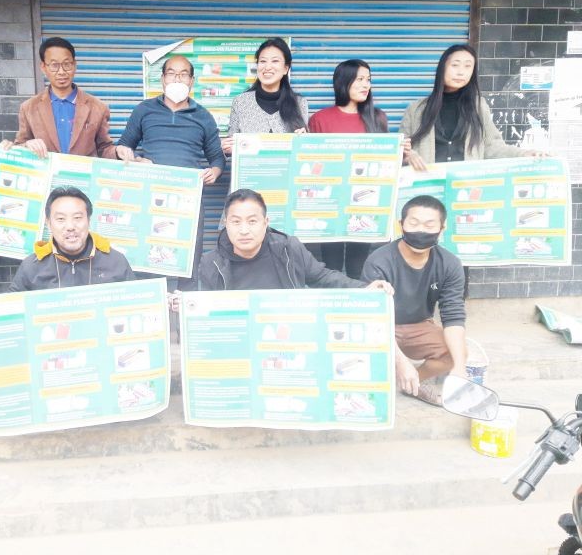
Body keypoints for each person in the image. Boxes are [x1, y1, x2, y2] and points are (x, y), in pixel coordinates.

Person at [115, 55, 226, 290]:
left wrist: (214, 172)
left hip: (189, 201)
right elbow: (124, 145)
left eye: (183, 74)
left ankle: (184, 308)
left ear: (192, 81)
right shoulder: (144, 110)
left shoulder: (203, 116)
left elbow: (217, 158)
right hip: (150, 199)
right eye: (172, 73)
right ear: (163, 79)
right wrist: (129, 156)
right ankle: (153, 308)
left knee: (189, 262)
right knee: (148, 259)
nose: (177, 79)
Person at [361, 195, 467, 406]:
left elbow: (453, 315)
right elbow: (372, 317)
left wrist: (460, 367)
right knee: (359, 363)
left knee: (456, 354)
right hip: (380, 326)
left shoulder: (450, 264)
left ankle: (412, 382)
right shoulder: (379, 261)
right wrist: (401, 362)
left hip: (418, 326)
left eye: (429, 225)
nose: (421, 231)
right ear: (401, 225)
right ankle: (395, 376)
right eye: (414, 223)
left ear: (442, 229)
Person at [198, 188, 393, 293]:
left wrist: (364, 287)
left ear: (266, 222)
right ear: (225, 224)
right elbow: (206, 310)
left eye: (252, 221)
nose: (244, 230)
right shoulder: (211, 263)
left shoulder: (288, 249)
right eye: (236, 222)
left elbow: (322, 277)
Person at [401, 44, 544, 170]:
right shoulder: (416, 110)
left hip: (466, 185)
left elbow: (492, 147)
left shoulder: (478, 107)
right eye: (455, 65)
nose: (461, 72)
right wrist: (408, 155)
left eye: (468, 66)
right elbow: (399, 149)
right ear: (442, 68)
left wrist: (523, 153)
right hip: (427, 184)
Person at [308, 59, 389, 279]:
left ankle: (358, 296)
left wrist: (402, 151)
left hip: (365, 200)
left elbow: (385, 159)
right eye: (360, 79)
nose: (366, 85)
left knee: (358, 264)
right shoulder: (320, 119)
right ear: (343, 82)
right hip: (331, 200)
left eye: (368, 80)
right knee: (331, 262)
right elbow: (313, 163)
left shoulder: (377, 118)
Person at [2, 37, 119, 159]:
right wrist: (26, 145)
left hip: (81, 172)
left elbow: (104, 148)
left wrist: (118, 152)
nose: (61, 72)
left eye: (67, 64)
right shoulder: (29, 108)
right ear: (43, 67)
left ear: (74, 65)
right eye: (54, 65)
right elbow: (20, 146)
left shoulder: (97, 107)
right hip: (46, 171)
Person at [8, 186, 135, 291]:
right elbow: (14, 309)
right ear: (49, 223)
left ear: (88, 220)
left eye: (77, 218)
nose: (70, 227)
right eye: (61, 219)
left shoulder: (115, 262)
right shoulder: (32, 267)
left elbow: (134, 305)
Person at [221, 37, 308, 156]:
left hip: (286, 167)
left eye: (275, 61)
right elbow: (231, 145)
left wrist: (304, 141)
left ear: (285, 69)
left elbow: (302, 150)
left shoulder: (299, 103)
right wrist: (227, 148)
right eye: (262, 61)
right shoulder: (240, 102)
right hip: (251, 167)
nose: (267, 67)